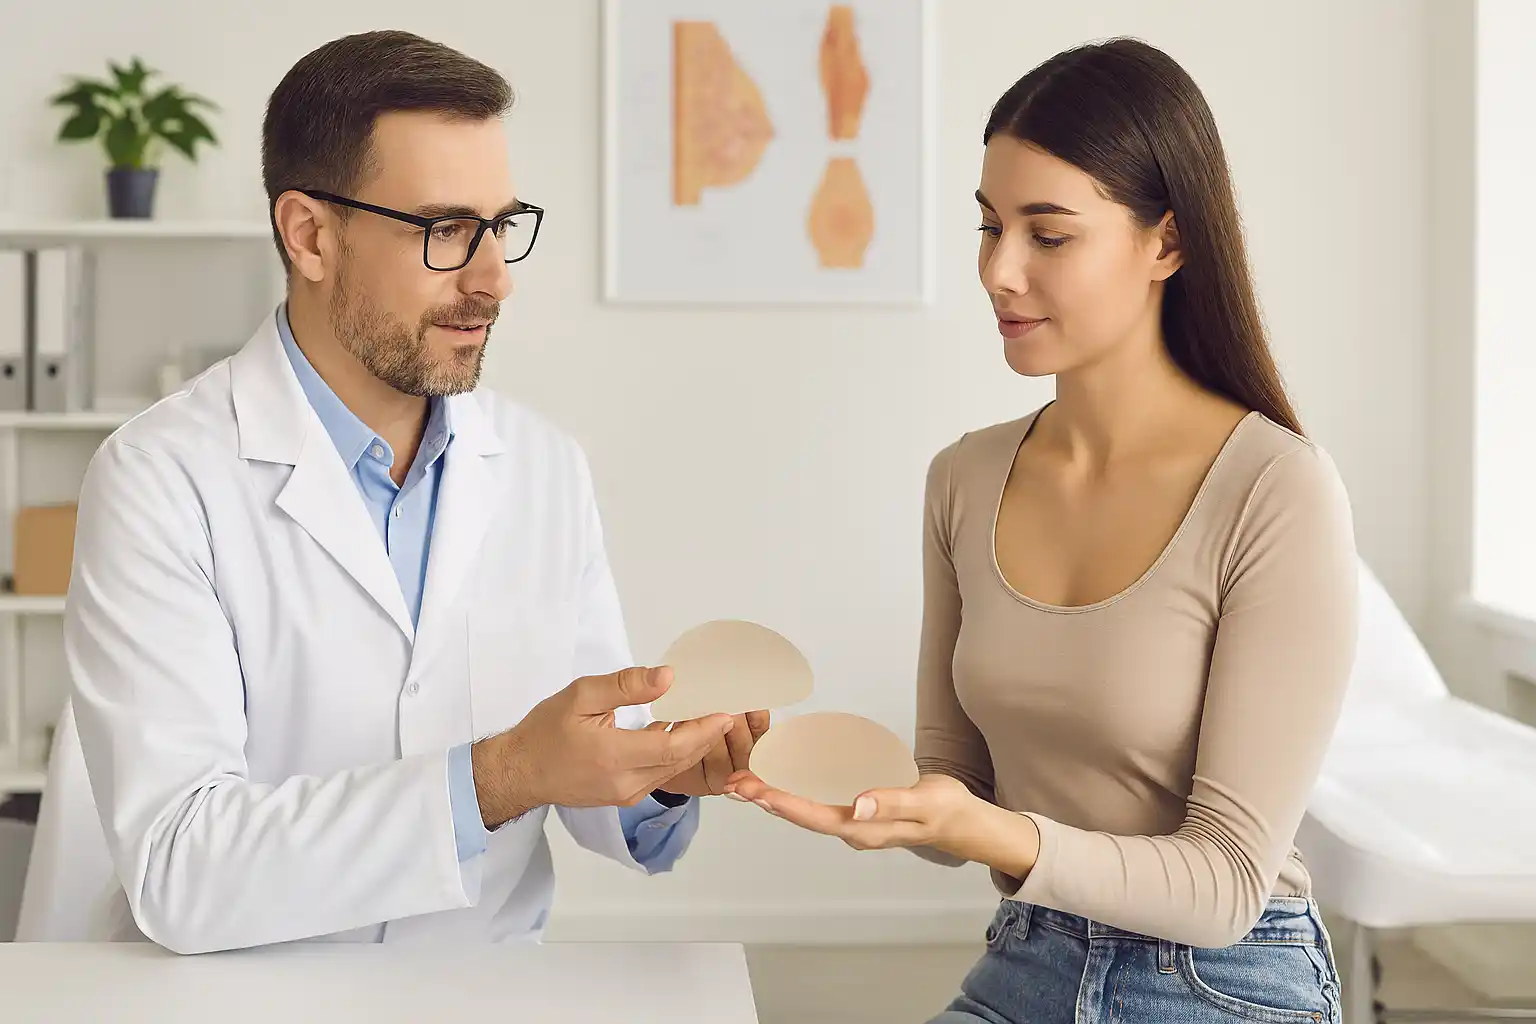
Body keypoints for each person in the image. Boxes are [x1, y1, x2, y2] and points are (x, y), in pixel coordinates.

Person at [64, 30, 767, 955]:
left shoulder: (541, 466)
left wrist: (664, 774)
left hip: (481, 990)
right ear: (310, 235)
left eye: (501, 225)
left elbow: (590, 768)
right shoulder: (160, 479)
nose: (494, 280)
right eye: (445, 231)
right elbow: (180, 868)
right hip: (250, 999)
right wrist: (500, 775)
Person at [728, 37, 1357, 1023]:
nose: (1000, 271)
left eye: (1048, 235)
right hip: (1032, 952)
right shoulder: (964, 479)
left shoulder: (1276, 490)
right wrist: (817, 780)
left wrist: (997, 834)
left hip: (1224, 978)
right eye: (988, 227)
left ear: (1168, 241)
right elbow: (954, 788)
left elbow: (1228, 883)